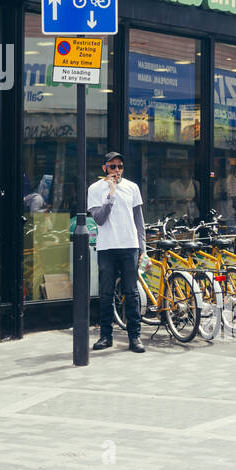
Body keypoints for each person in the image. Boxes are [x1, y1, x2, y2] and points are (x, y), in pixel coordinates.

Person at [89, 151, 147, 353]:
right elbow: (99, 219)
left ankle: (135, 337)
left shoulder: (132, 187)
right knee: (106, 294)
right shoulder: (95, 189)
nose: (116, 171)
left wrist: (143, 248)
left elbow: (139, 221)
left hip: (129, 245)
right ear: (104, 168)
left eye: (120, 167)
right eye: (112, 167)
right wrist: (111, 195)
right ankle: (106, 336)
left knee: (131, 293)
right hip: (107, 247)